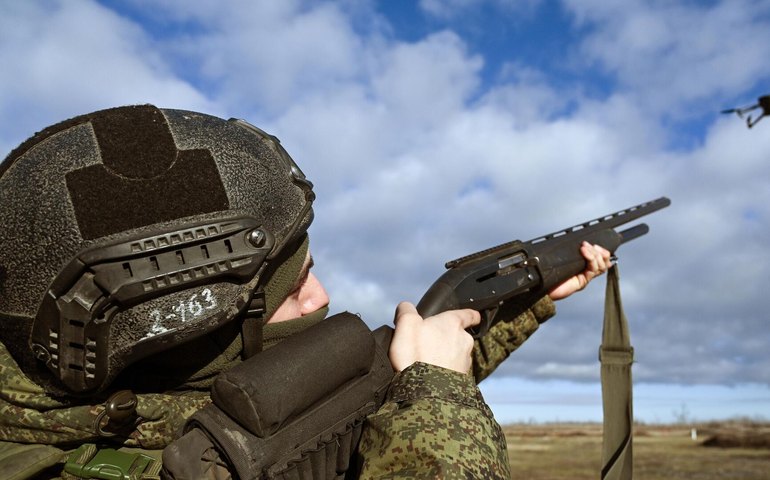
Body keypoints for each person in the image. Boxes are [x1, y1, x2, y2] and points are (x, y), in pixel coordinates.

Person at [0, 105, 609, 479]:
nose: (319, 297)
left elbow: (350, 398)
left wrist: (531, 298)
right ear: (193, 340)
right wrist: (436, 400)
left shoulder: (162, 412)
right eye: (293, 290)